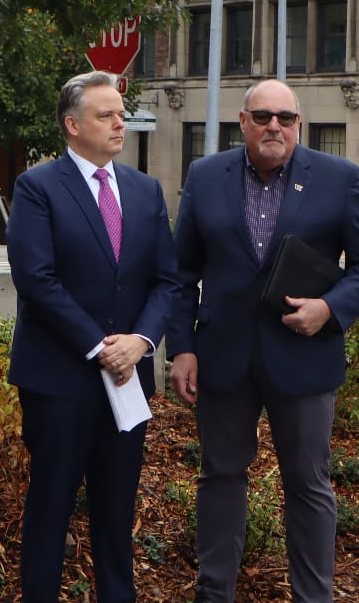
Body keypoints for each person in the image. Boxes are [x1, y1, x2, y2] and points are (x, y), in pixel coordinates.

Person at [169, 79, 359, 603]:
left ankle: (313, 597)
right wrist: (182, 347)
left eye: (285, 117)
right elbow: (180, 275)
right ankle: (214, 593)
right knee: (220, 477)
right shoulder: (205, 176)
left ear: (298, 123)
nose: (274, 126)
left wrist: (330, 309)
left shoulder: (340, 178)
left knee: (309, 484)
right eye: (262, 116)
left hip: (304, 357)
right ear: (243, 122)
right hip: (223, 357)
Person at [6, 70, 180, 603]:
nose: (119, 124)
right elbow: (36, 279)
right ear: (73, 125)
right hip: (60, 380)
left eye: (121, 115)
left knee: (116, 513)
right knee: (50, 509)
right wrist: (103, 347)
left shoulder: (145, 190)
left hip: (128, 381)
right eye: (106, 116)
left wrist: (141, 341)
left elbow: (166, 280)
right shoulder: (37, 187)